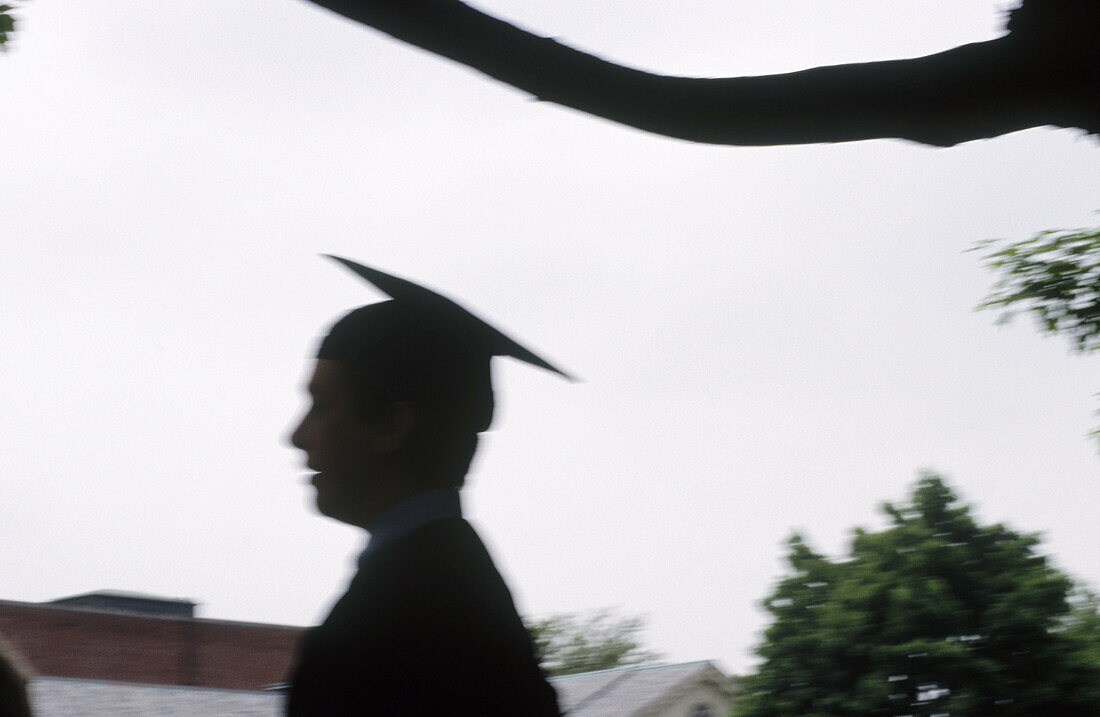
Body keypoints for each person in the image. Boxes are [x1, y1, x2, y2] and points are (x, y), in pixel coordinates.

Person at [285, 256, 564, 716]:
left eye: (320, 406)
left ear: (392, 426)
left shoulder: (395, 623)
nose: (295, 435)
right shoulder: (462, 588)